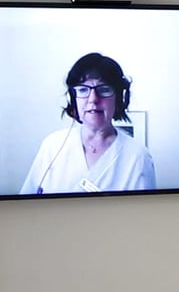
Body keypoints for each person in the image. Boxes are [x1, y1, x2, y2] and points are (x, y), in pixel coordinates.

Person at [19, 52, 156, 194]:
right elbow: (25, 203)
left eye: (104, 90)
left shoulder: (138, 156)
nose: (93, 99)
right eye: (83, 90)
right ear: (72, 98)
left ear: (118, 98)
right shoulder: (52, 145)